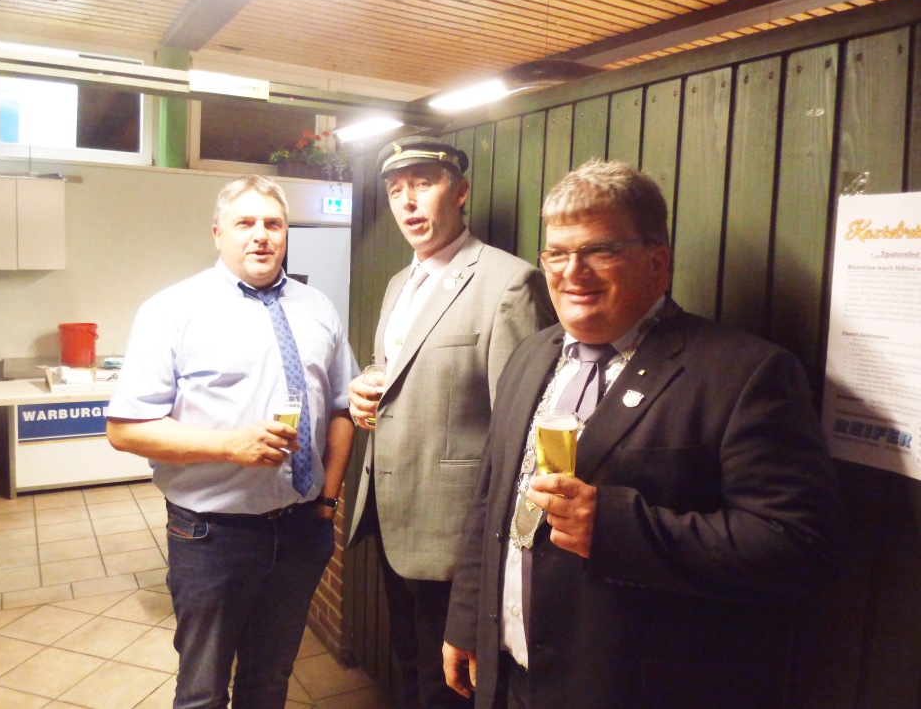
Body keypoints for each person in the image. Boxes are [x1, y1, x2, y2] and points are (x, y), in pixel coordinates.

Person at [442, 159, 845, 709]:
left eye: (599, 250)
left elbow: (799, 546)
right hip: (509, 673)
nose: (572, 271)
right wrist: (467, 618)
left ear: (658, 263)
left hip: (629, 687)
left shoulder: (743, 374)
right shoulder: (530, 354)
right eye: (557, 253)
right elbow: (491, 498)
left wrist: (615, 529)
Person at [106, 174, 357, 709]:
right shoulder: (172, 310)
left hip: (300, 530)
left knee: (269, 680)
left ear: (286, 233)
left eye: (273, 223)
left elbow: (341, 407)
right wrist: (229, 446)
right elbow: (125, 429)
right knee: (202, 689)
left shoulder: (319, 307)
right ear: (218, 233)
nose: (260, 235)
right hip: (211, 536)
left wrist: (328, 501)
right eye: (245, 223)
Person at [346, 136, 556, 709]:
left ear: (460, 192)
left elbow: (521, 428)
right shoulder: (399, 284)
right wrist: (368, 385)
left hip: (455, 533)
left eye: (423, 184)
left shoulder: (509, 282)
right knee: (408, 665)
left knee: (451, 687)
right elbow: (405, 369)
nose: (408, 202)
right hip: (392, 516)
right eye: (396, 190)